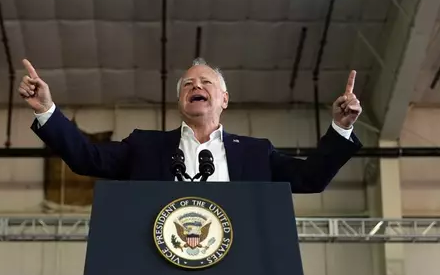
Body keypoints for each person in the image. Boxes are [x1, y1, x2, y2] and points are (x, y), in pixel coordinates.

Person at [18, 57, 363, 193]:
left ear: (224, 99)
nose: (196, 87)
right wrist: (47, 109)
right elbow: (86, 158)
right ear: (180, 100)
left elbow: (311, 178)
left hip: (241, 273)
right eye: (187, 84)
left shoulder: (258, 154)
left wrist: (340, 128)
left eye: (206, 82)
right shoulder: (145, 147)